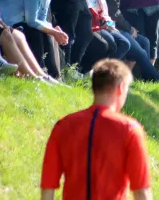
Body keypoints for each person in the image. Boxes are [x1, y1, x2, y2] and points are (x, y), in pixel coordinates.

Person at [40, 59, 152, 200]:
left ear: (94, 88)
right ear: (120, 88)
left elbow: (48, 187)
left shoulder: (62, 126)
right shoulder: (130, 129)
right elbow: (141, 191)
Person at [0, 0, 69, 79]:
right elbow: (32, 21)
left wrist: (54, 29)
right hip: (4, 22)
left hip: (20, 22)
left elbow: (41, 20)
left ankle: (53, 75)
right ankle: (39, 71)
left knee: (45, 33)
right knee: (35, 32)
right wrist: (54, 32)